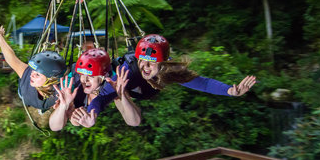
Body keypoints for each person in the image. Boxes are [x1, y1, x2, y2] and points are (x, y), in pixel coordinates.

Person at [104, 34, 256, 126]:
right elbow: (132, 121)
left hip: (146, 90)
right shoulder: (126, 72)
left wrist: (229, 90)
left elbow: (203, 83)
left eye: (151, 62)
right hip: (125, 87)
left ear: (163, 62)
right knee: (123, 102)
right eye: (142, 61)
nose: (146, 67)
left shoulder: (169, 70)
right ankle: (121, 93)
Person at [0, 24, 67, 115]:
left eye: (37, 74)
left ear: (51, 79)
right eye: (33, 71)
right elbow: (11, 58)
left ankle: (45, 107)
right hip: (26, 94)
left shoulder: (61, 93)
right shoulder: (27, 74)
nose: (31, 75)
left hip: (48, 101)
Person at [49, 48, 119, 131]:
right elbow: (54, 127)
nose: (85, 80)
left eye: (91, 76)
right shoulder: (73, 80)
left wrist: (92, 115)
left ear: (104, 76)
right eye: (82, 75)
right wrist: (63, 105)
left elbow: (99, 100)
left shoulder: (112, 81)